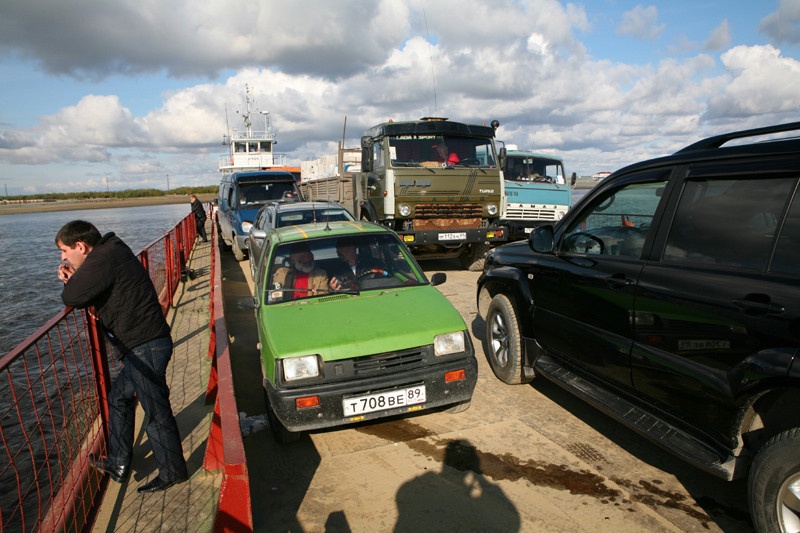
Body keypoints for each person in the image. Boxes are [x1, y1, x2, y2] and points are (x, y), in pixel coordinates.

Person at [55, 220, 188, 493]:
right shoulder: (111, 250)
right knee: (118, 399)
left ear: (81, 246)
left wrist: (72, 279)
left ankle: (173, 473)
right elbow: (96, 288)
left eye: (64, 251)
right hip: (144, 345)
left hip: (146, 346)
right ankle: (118, 462)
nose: (63, 257)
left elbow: (72, 296)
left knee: (156, 413)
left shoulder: (103, 256)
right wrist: (78, 277)